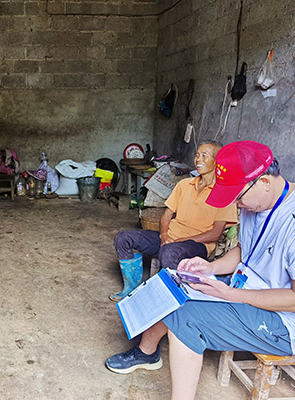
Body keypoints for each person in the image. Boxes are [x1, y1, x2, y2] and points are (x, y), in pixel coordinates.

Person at [105, 141, 295, 400]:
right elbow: (244, 251)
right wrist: (210, 266)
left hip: (282, 322)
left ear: (264, 182)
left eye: (238, 197)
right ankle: (146, 352)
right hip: (243, 288)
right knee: (177, 283)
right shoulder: (255, 204)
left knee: (185, 316)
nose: (237, 205)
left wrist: (230, 294)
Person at [110, 140, 238, 301]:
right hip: (169, 239)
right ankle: (131, 289)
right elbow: (166, 215)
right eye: (197, 155)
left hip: (198, 244)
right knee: (123, 238)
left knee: (169, 252)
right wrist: (164, 235)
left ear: (217, 161)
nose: (198, 159)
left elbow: (215, 234)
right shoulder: (184, 185)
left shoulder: (224, 194)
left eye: (204, 155)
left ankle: (165, 299)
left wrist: (179, 241)